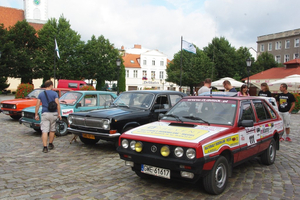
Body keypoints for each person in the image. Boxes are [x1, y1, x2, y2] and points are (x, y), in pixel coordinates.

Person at [35, 80, 62, 153]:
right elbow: (57, 104)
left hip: (45, 113)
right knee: (52, 130)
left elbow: (37, 105)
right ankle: (50, 144)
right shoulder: (54, 94)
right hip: (53, 113)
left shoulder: (41, 94)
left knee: (44, 130)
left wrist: (36, 114)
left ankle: (45, 147)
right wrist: (59, 114)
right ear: (51, 85)